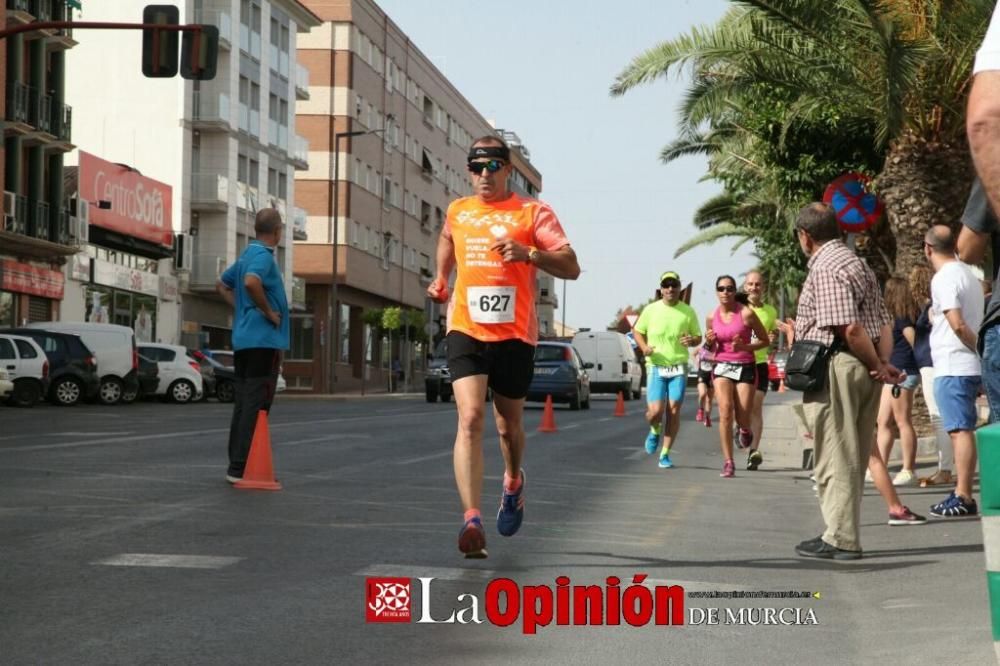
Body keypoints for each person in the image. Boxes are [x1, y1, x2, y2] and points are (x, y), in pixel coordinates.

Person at [427, 135, 580, 558]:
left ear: (508, 170)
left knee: (507, 428)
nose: (483, 175)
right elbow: (445, 238)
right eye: (475, 167)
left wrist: (529, 253)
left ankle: (513, 481)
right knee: (471, 418)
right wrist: (442, 276)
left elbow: (572, 266)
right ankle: (471, 519)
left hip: (514, 335)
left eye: (492, 166)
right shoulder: (459, 210)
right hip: (466, 328)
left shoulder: (533, 212)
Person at [790, 203, 901, 561]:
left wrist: (876, 364)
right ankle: (839, 531)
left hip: (839, 365)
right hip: (864, 367)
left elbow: (849, 328)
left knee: (835, 453)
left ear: (805, 236)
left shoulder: (825, 267)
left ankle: (840, 537)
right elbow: (883, 321)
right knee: (852, 453)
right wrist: (883, 363)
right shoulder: (858, 263)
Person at [216, 208, 289, 484]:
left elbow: (221, 285)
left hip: (245, 341)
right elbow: (250, 282)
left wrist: (243, 312)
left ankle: (235, 463)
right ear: (278, 232)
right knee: (257, 403)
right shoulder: (263, 258)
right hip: (263, 341)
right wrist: (269, 313)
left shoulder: (247, 255)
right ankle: (243, 465)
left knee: (243, 401)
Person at [924, 225, 983, 519]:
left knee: (960, 431)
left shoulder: (944, 278)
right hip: (967, 365)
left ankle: (963, 495)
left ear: (927, 248)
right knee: (963, 428)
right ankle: (962, 491)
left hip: (954, 364)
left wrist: (978, 349)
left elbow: (958, 324)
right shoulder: (968, 275)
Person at [633, 270, 702, 469]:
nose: (670, 288)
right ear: (661, 289)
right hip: (656, 366)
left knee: (673, 410)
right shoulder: (651, 310)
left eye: (674, 285)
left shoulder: (687, 311)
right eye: (666, 285)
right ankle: (655, 429)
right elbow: (637, 331)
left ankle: (665, 453)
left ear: (680, 288)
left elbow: (698, 337)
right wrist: (644, 347)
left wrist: (692, 340)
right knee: (655, 412)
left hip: (678, 367)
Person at [705, 275, 770, 478]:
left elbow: (765, 340)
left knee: (743, 415)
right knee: (725, 411)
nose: (726, 292)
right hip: (722, 365)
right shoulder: (710, 316)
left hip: (745, 366)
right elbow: (710, 346)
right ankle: (728, 462)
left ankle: (744, 429)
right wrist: (708, 341)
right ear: (716, 292)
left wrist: (745, 346)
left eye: (730, 288)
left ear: (735, 291)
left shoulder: (746, 314)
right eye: (721, 288)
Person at [905, 264, 956, 487]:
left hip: (931, 364)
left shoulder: (930, 307)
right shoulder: (933, 305)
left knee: (938, 416)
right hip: (934, 363)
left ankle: (945, 469)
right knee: (944, 416)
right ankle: (945, 467)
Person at [874, 277, 921, 486]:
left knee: (902, 420)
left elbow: (913, 339)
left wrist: (919, 363)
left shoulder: (902, 318)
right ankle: (880, 467)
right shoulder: (897, 317)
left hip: (903, 373)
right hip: (893, 374)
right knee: (883, 420)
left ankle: (908, 469)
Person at [743, 270, 779, 471]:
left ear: (762, 287)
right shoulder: (738, 309)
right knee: (742, 406)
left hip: (760, 363)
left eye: (757, 284)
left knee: (756, 406)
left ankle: (753, 452)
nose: (754, 288)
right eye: (750, 284)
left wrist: (771, 339)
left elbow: (769, 336)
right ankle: (743, 428)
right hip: (740, 363)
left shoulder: (771, 312)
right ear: (745, 287)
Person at [695, 341, 715, 428]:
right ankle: (700, 410)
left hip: (712, 374)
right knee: (702, 393)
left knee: (709, 399)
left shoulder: (717, 349)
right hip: (702, 373)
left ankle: (707, 418)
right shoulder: (700, 348)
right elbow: (693, 353)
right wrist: (696, 363)